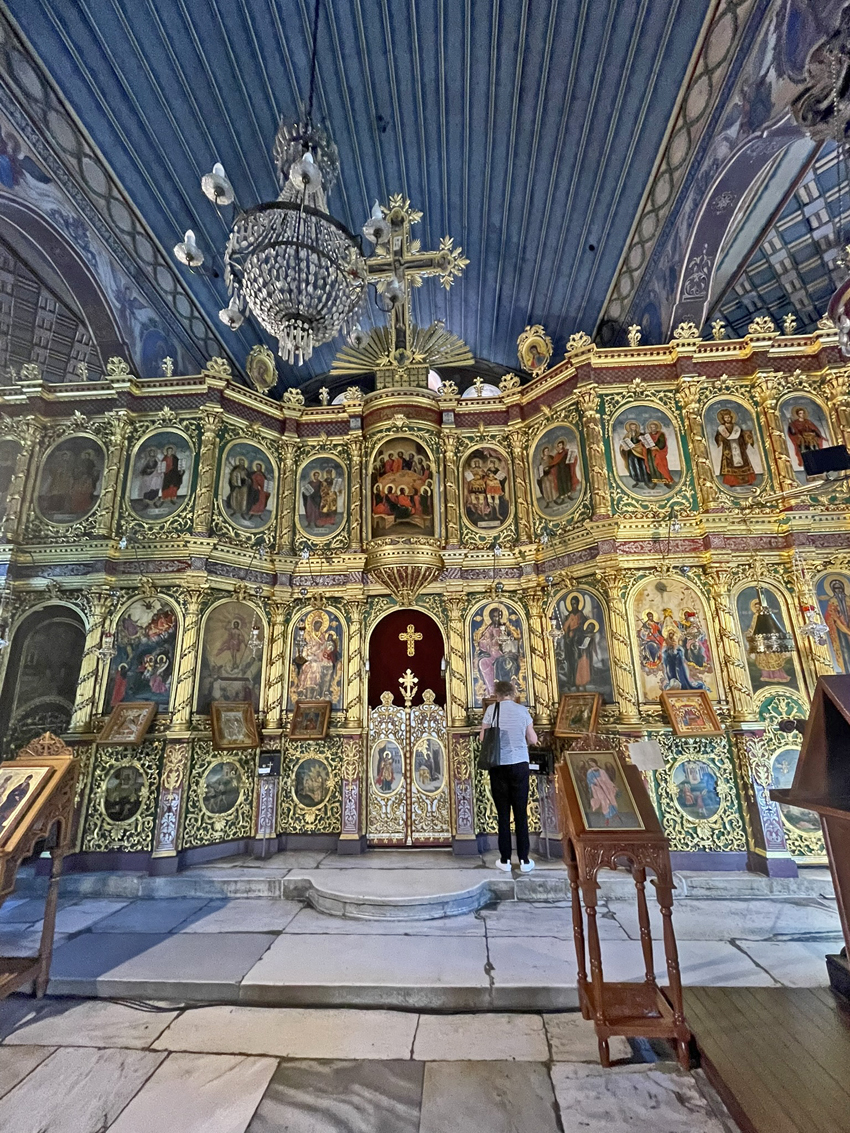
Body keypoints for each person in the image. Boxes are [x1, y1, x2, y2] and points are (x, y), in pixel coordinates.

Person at [479, 680, 538, 873]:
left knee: (503, 814)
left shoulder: (492, 710)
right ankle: (524, 860)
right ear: (513, 693)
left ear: (497, 694)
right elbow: (532, 738)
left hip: (499, 765)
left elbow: (483, 737)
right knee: (521, 813)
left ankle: (504, 860)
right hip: (520, 764)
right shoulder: (522, 711)